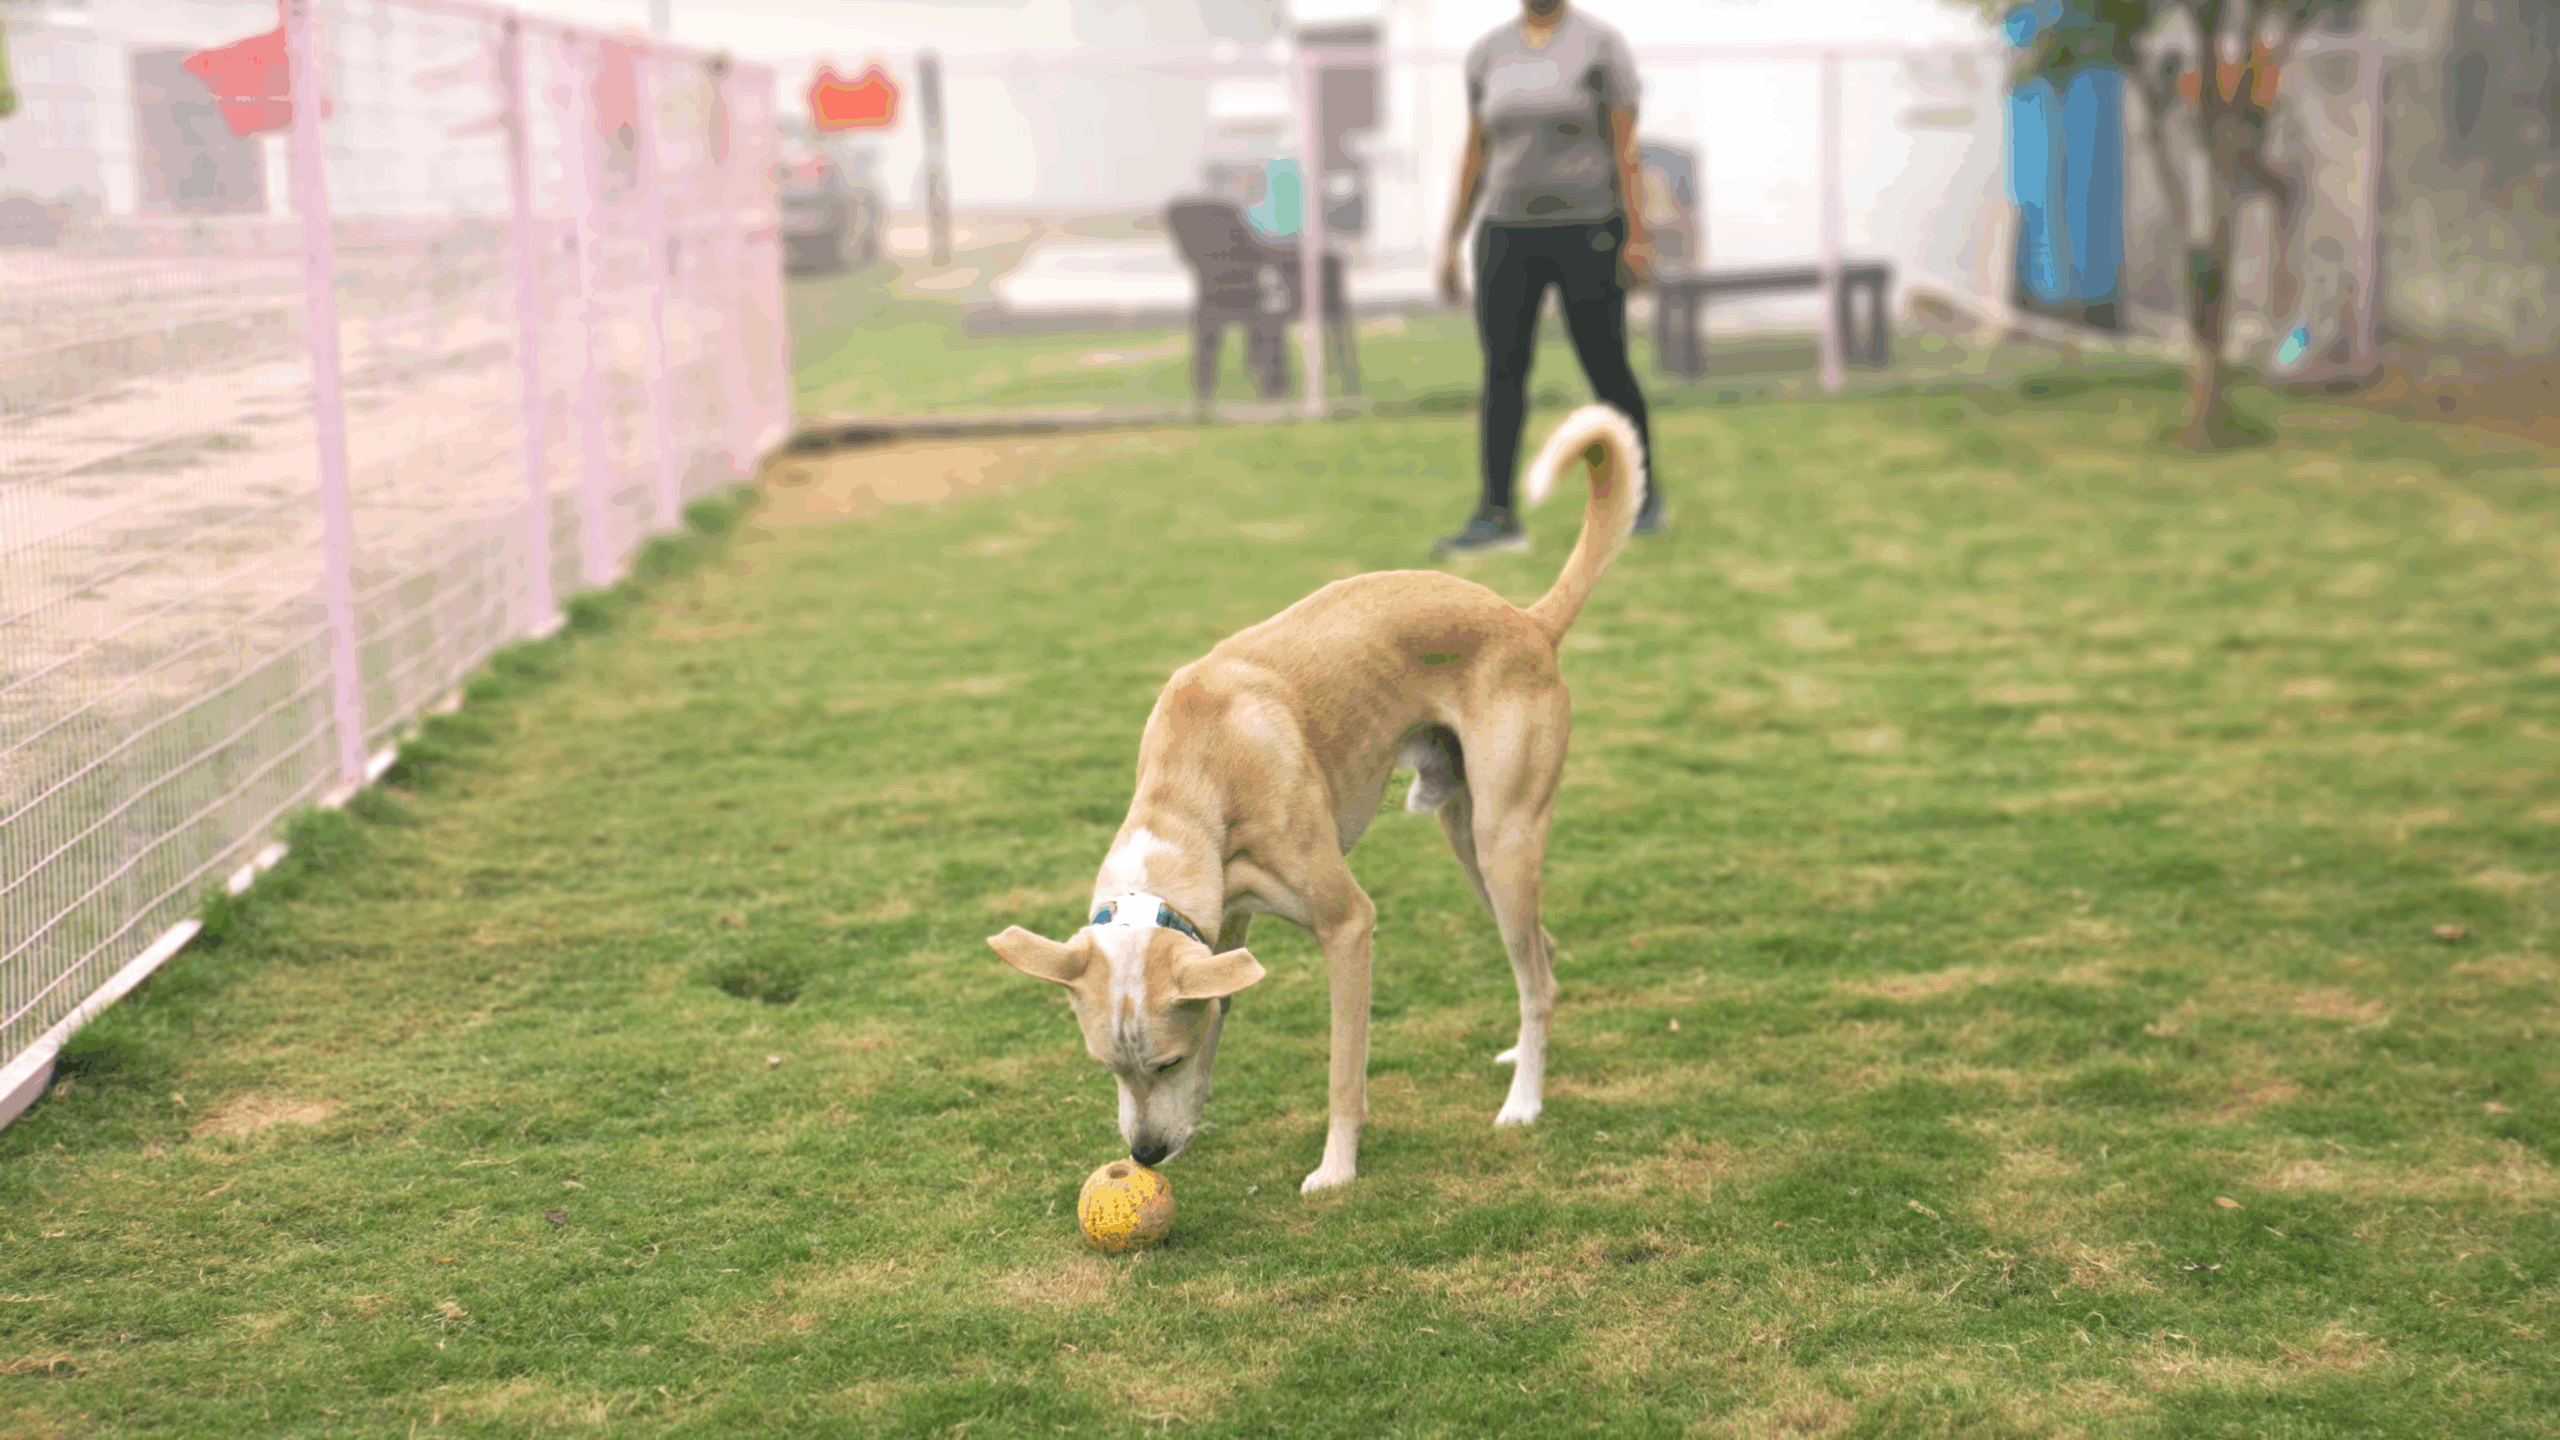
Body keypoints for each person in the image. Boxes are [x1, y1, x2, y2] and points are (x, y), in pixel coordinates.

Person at [1433, 0, 1664, 557]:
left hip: (1588, 230)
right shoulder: (1490, 53)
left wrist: (1636, 236)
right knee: (1503, 373)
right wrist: (1450, 241)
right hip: (1506, 233)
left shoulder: (1599, 44)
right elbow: (1476, 149)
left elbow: (1625, 147)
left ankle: (1643, 497)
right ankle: (1496, 514)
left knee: (1606, 366)